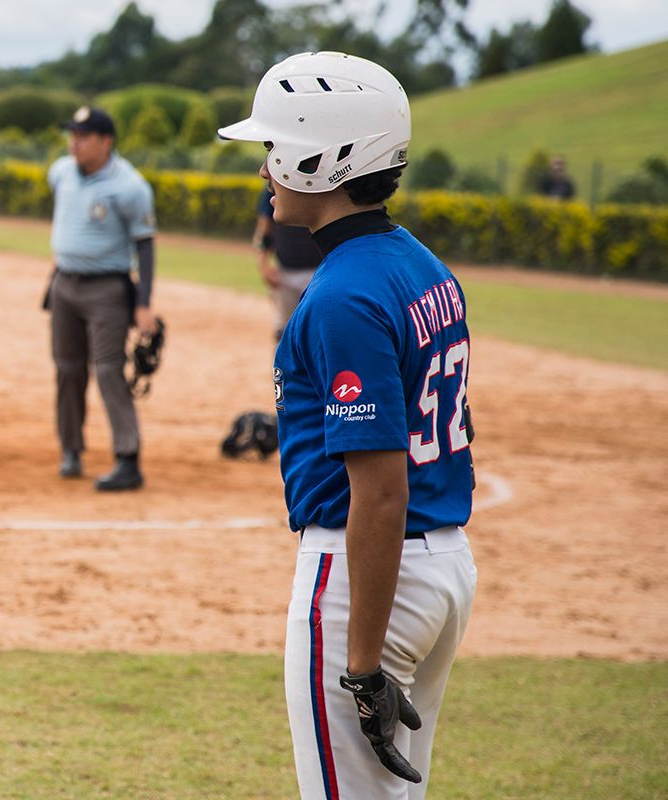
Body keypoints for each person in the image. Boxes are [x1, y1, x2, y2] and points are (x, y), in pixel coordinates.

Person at [219, 51, 477, 799]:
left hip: (366, 578)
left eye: (274, 149)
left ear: (317, 156)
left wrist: (361, 661)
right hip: (442, 566)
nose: (264, 170)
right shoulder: (420, 264)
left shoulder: (342, 296)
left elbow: (380, 492)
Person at [46, 105, 158, 491]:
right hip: (63, 283)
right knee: (67, 369)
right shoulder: (61, 171)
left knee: (109, 370)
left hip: (107, 289)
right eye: (72, 135)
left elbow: (144, 246)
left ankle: (128, 458)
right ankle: (71, 449)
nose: (74, 142)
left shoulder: (130, 186)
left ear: (106, 141)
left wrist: (142, 304)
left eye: (83, 136)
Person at [253, 184, 322, 339]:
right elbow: (264, 226)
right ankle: (282, 363)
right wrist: (263, 264)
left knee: (315, 330)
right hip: (285, 270)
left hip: (318, 272)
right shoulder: (277, 184)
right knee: (284, 332)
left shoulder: (321, 183)